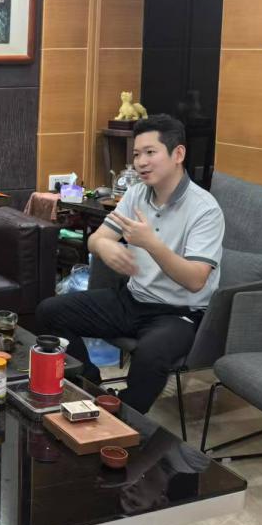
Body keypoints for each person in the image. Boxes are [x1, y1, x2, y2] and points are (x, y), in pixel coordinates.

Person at [35, 115, 224, 414]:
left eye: (150, 152)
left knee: (151, 355)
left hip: (179, 313)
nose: (141, 163)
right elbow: (96, 239)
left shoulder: (205, 209)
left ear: (178, 154)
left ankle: (125, 418)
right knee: (49, 312)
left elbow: (195, 280)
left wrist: (151, 243)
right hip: (132, 300)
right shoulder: (136, 194)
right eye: (137, 154)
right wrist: (105, 246)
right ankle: (91, 387)